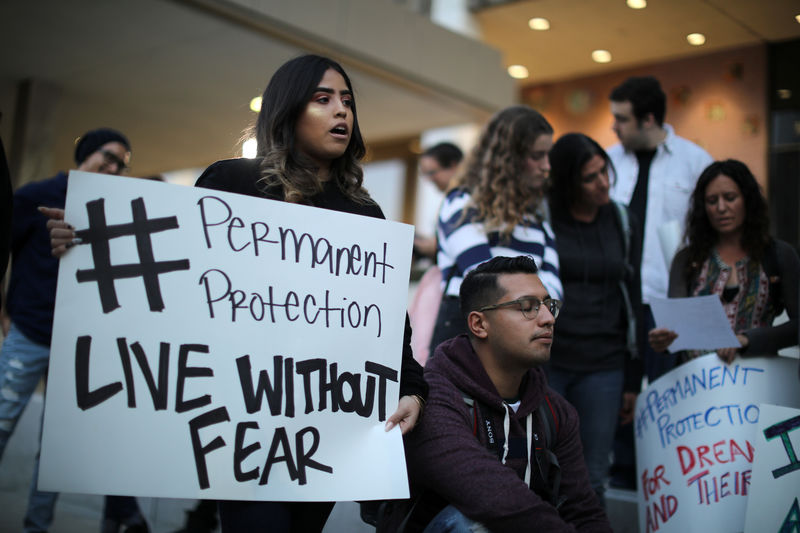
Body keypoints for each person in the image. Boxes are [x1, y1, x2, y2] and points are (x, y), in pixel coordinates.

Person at [47, 55, 428, 533]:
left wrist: (412, 388)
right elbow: (173, 274)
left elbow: (387, 319)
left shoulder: (364, 213)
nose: (342, 113)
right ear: (287, 110)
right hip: (242, 420)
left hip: (323, 431)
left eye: (348, 102)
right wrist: (86, 245)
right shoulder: (233, 183)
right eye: (323, 99)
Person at [389, 256, 611, 532]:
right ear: (479, 324)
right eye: (527, 307)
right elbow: (491, 497)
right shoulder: (432, 399)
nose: (548, 318)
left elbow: (584, 511)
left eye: (549, 305)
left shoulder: (556, 412)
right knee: (474, 524)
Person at [0, 128, 150, 533]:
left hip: (76, 346)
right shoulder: (36, 195)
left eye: (122, 163)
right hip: (29, 332)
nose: (114, 166)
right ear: (86, 153)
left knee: (54, 450)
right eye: (109, 156)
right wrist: (5, 309)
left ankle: (36, 527)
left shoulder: (111, 210)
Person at [546, 133, 642, 506]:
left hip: (605, 363)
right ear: (569, 182)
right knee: (542, 471)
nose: (603, 182)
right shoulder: (544, 218)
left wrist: (632, 377)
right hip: (550, 360)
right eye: (590, 177)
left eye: (605, 170)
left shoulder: (622, 219)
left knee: (594, 476)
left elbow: (632, 295)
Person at [430, 106, 561, 352]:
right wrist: (535, 304)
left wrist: (530, 305)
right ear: (509, 158)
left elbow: (553, 289)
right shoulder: (461, 204)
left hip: (524, 349)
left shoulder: (536, 218)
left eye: (547, 155)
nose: (546, 166)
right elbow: (484, 283)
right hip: (469, 345)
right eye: (537, 156)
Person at [607, 75, 713, 381]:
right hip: (617, 300)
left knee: (668, 394)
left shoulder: (695, 162)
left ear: (649, 119)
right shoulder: (607, 161)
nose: (614, 126)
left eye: (622, 119)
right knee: (617, 400)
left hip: (669, 300)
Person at [648, 159, 799, 364]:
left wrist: (748, 340)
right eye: (712, 201)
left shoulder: (778, 255)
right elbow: (676, 330)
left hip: (761, 383)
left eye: (730, 198)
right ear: (703, 208)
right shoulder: (687, 260)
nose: (721, 208)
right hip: (698, 385)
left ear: (747, 200)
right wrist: (663, 340)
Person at [413, 142, 463, 260]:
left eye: (431, 172)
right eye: (424, 174)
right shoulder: (454, 200)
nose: (429, 179)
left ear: (453, 165)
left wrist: (436, 246)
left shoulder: (464, 200)